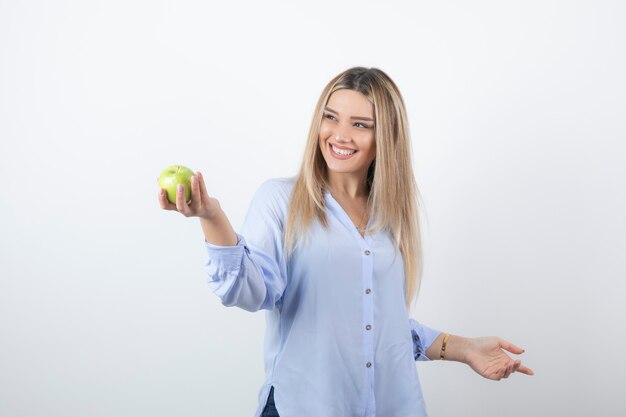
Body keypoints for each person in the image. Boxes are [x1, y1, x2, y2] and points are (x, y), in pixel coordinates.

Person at [158, 67, 534, 417]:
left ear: (385, 136)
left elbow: (381, 328)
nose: (339, 134)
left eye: (360, 124)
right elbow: (249, 291)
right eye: (331, 117)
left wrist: (464, 348)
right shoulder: (280, 200)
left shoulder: (392, 215)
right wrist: (212, 217)